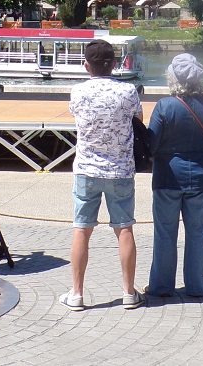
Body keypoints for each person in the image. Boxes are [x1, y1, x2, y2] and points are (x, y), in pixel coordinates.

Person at [61, 39, 144, 311]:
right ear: (116, 63)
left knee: (82, 230)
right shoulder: (129, 91)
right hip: (120, 169)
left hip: (87, 169)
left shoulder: (78, 92)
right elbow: (138, 120)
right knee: (124, 229)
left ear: (87, 65)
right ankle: (129, 292)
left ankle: (76, 294)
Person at [146, 53, 203, 298]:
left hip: (167, 177)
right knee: (197, 233)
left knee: (164, 233)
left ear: (171, 77)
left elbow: (151, 143)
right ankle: (197, 286)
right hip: (202, 175)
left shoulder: (164, 105)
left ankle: (161, 286)